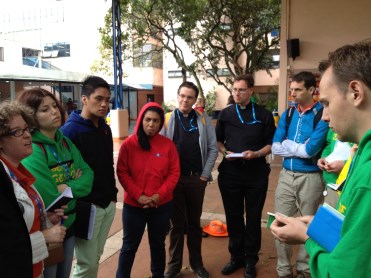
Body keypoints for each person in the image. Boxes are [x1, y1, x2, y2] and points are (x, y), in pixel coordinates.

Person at [271, 41, 371, 278]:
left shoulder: (367, 177)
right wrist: (321, 225)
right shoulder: (361, 154)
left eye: (326, 103)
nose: (325, 117)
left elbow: (343, 272)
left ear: (356, 93)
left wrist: (308, 237)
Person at [18, 88, 94, 278]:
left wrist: (66, 187)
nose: (54, 111)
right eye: (45, 109)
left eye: (54, 106)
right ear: (31, 116)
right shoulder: (32, 150)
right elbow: (49, 196)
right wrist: (73, 184)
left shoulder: (65, 142)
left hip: (69, 225)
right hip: (46, 229)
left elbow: (88, 176)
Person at [215, 74, 276, 278]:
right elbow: (218, 141)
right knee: (233, 217)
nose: (237, 93)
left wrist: (257, 154)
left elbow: (271, 145)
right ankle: (236, 257)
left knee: (252, 218)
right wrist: (225, 153)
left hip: (256, 175)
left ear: (251, 90)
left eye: (241, 89)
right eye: (234, 89)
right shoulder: (225, 114)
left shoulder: (264, 115)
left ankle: (251, 260)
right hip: (230, 174)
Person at [0, 101, 67, 278]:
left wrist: (45, 218)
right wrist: (44, 237)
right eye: (17, 132)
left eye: (27, 129)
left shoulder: (19, 174)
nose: (27, 136)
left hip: (35, 267)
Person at [271, 71, 329, 278]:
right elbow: (275, 147)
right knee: (279, 222)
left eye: (297, 89)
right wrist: (295, 147)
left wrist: (290, 145)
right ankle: (284, 270)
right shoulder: (288, 112)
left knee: (309, 226)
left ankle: (305, 269)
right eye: (291, 89)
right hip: (286, 175)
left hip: (311, 177)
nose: (292, 93)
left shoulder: (322, 113)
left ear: (312, 90)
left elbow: (310, 150)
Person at [60, 76, 118, 278]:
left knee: (96, 256)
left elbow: (107, 165)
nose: (104, 104)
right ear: (84, 99)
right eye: (98, 99)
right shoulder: (69, 131)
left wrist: (113, 195)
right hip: (86, 206)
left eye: (107, 100)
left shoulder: (104, 128)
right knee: (87, 262)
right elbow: (65, 173)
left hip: (107, 203)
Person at [115, 102, 180, 278]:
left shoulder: (168, 145)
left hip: (161, 205)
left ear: (161, 124)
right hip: (134, 206)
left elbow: (174, 173)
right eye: (148, 120)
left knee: (158, 244)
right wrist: (139, 196)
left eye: (156, 121)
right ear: (141, 120)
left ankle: (158, 275)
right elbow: (122, 171)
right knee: (129, 246)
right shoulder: (129, 144)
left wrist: (159, 196)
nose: (151, 124)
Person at [161, 81, 218, 278]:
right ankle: (174, 266)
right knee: (176, 226)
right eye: (182, 96)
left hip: (196, 180)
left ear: (195, 100)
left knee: (194, 224)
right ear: (177, 96)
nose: (185, 100)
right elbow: (160, 149)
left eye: (190, 97)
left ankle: (197, 264)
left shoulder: (203, 120)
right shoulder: (167, 119)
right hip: (174, 181)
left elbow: (212, 148)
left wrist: (205, 174)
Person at [317, 129, 351, 207]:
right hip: (332, 183)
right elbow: (329, 143)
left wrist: (345, 165)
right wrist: (325, 158)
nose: (325, 119)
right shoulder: (333, 126)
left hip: (349, 184)